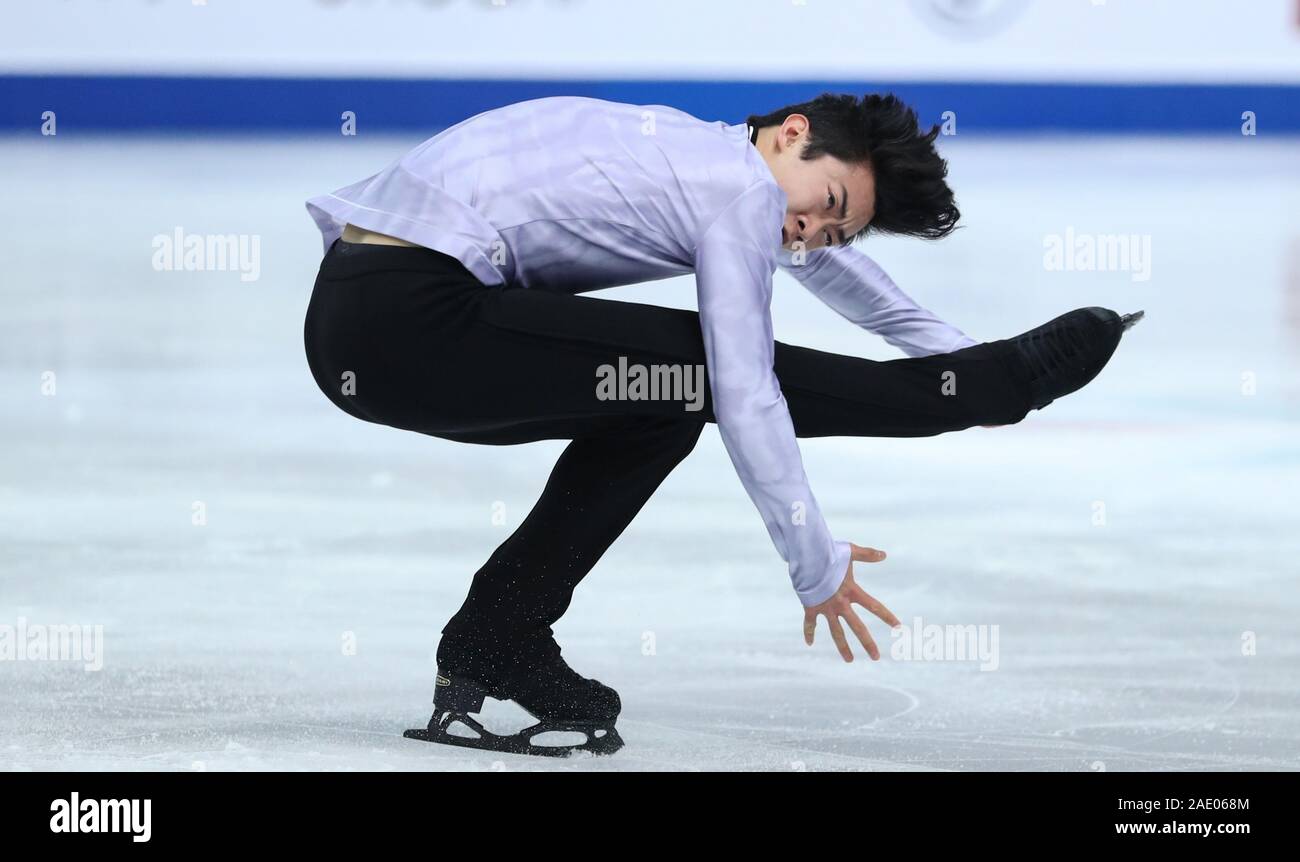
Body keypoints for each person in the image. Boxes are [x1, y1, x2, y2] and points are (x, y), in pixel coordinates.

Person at [302, 93, 1141, 756]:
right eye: (827, 203)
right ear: (793, 132)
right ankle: (499, 633)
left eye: (834, 230)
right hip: (410, 324)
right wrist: (814, 561)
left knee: (661, 401)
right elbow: (745, 391)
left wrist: (963, 362)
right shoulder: (736, 190)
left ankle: (498, 636)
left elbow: (845, 279)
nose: (811, 232)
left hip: (367, 320)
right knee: (694, 372)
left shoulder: (709, 156)